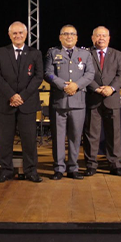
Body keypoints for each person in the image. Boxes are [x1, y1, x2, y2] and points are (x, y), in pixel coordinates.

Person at [0, 21, 44, 183]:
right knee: (5, 140)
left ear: (26, 34)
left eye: (21, 33)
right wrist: (11, 96)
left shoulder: (35, 53)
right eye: (14, 33)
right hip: (5, 102)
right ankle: (6, 170)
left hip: (27, 103)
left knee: (29, 140)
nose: (18, 36)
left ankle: (31, 171)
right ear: (9, 35)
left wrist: (22, 96)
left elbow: (38, 77)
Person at [44, 24, 95, 180]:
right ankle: (59, 168)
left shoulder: (85, 54)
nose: (69, 36)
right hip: (59, 101)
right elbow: (48, 74)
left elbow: (90, 74)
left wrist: (76, 85)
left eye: (72, 34)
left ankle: (73, 168)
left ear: (77, 37)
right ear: (60, 37)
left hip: (78, 102)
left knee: (75, 136)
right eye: (65, 34)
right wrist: (63, 85)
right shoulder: (53, 53)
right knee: (59, 137)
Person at [82, 26, 121, 176]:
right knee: (91, 134)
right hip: (93, 98)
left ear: (109, 38)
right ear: (92, 38)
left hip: (112, 98)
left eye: (104, 36)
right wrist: (96, 88)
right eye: (98, 35)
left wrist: (111, 88)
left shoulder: (118, 54)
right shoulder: (86, 54)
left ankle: (115, 164)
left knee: (114, 134)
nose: (101, 38)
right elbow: (84, 74)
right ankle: (91, 164)